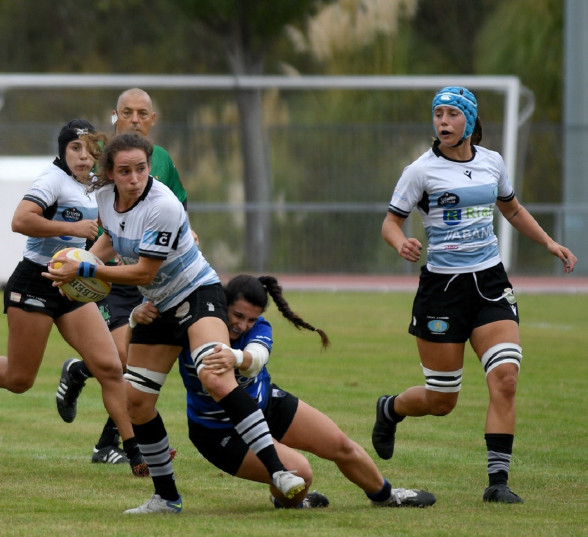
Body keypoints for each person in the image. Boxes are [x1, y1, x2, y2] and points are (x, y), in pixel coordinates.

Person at [45, 133, 307, 514]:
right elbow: (110, 241)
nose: (134, 178)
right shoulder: (103, 198)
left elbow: (142, 272)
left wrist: (84, 267)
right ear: (110, 173)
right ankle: (166, 498)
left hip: (197, 293)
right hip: (158, 304)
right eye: (124, 171)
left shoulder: (164, 205)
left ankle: (279, 471)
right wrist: (77, 271)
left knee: (215, 375)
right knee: (135, 403)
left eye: (141, 169)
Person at [372, 86, 578, 504]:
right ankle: (390, 409)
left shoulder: (492, 163)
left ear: (469, 120)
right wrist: (400, 244)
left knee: (505, 377)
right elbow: (391, 223)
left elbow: (513, 209)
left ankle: (497, 483)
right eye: (437, 115)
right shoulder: (420, 171)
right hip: (442, 291)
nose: (442, 122)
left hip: (489, 284)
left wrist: (549, 243)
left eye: (451, 114)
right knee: (441, 399)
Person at [161, 274, 435, 509]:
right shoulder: (196, 330)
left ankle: (386, 497)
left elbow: (256, 359)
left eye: (251, 319)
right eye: (237, 315)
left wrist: (235, 356)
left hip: (265, 405)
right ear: (222, 304)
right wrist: (139, 318)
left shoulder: (260, 329)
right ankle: (288, 500)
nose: (242, 325)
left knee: (340, 445)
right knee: (300, 474)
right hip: (219, 432)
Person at [0, 119, 147, 476]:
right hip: (35, 282)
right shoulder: (51, 181)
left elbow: (109, 233)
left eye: (89, 149)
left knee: (111, 367)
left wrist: (89, 263)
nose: (83, 157)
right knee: (20, 381)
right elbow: (20, 221)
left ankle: (136, 452)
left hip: (70, 283)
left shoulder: (98, 187)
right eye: (75, 149)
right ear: (62, 151)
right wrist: (71, 229)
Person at [55, 88, 189, 467]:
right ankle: (129, 446)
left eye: (141, 113)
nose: (134, 119)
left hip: (149, 276)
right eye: (126, 112)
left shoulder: (161, 159)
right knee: (123, 362)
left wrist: (187, 233)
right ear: (114, 116)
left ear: (152, 119)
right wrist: (79, 262)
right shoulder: (103, 162)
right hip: (111, 273)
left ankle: (83, 378)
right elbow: (99, 219)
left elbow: (177, 208)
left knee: (136, 368)